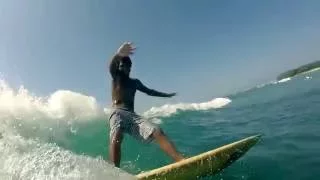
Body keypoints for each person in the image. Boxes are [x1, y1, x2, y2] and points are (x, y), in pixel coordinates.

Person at [107, 42, 184, 167]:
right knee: (116, 136)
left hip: (132, 116)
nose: (121, 68)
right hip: (117, 113)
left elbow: (150, 92)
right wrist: (118, 54)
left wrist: (167, 95)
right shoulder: (116, 77)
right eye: (120, 65)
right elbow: (111, 67)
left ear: (129, 67)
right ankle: (113, 172)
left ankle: (181, 160)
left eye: (124, 66)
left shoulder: (135, 82)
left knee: (157, 131)